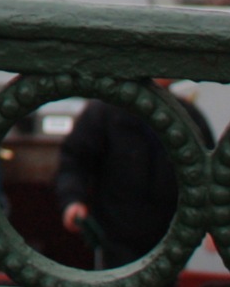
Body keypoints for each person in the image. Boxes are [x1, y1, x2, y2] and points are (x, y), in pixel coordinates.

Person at [54, 87, 214, 276]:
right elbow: (75, 162)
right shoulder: (105, 111)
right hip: (116, 234)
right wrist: (72, 200)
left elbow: (207, 173)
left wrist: (212, 221)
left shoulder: (187, 115)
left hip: (171, 235)